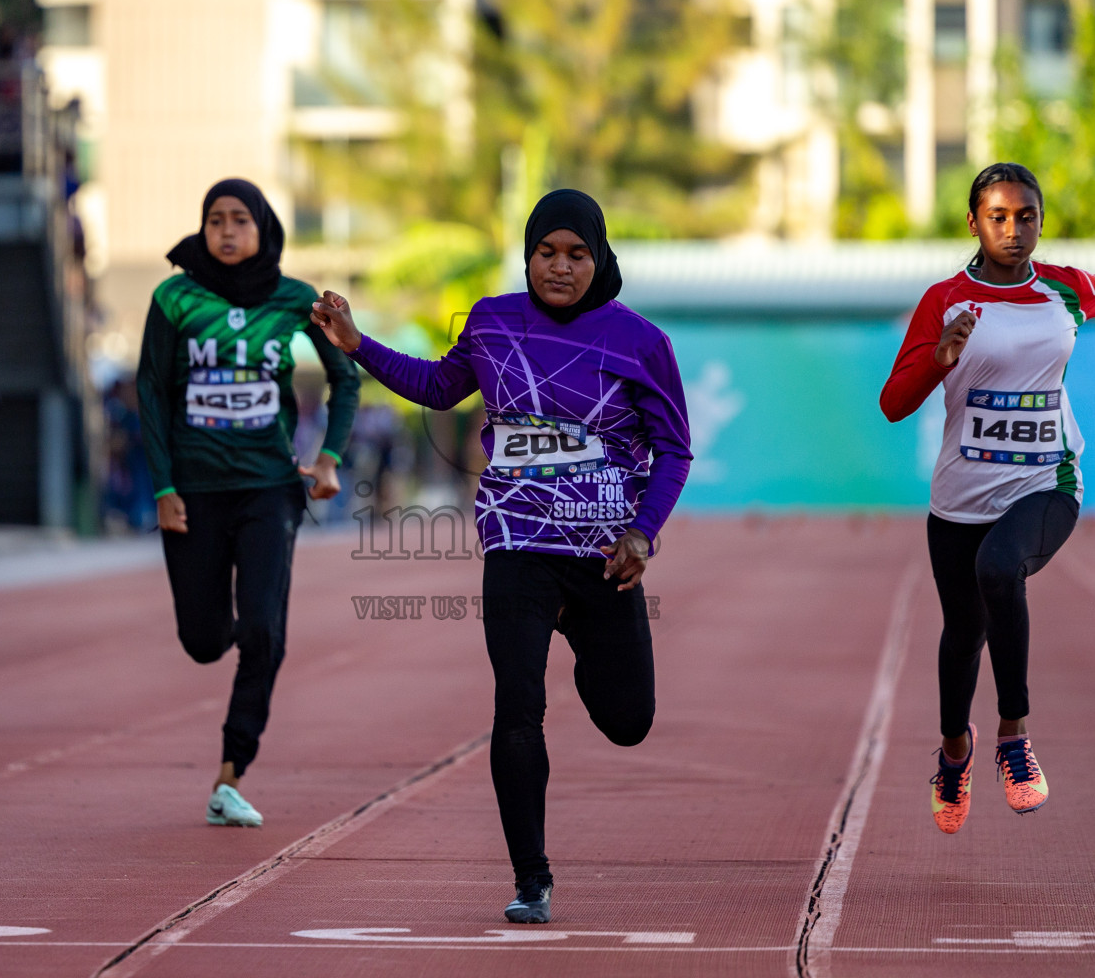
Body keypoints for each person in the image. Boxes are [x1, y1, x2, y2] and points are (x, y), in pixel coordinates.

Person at [311, 189, 692, 924]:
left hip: (604, 556)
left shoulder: (640, 341)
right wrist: (357, 344)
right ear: (527, 256)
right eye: (546, 252)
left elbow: (673, 449)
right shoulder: (492, 322)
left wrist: (642, 533)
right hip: (516, 544)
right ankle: (531, 878)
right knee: (517, 705)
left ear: (599, 258)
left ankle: (587, 643)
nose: (559, 267)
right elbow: (437, 384)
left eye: (576, 254)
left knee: (628, 719)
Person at [879, 163, 1095, 835]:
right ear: (974, 223)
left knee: (1000, 570)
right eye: (999, 216)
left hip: (1047, 480)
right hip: (960, 497)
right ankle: (954, 752)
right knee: (964, 632)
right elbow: (893, 405)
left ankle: (1013, 737)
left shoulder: (1067, 290)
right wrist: (939, 359)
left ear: (1042, 220)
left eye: (1027, 216)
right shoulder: (944, 302)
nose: (1014, 229)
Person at [137, 178, 358, 828]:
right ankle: (238, 625)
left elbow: (346, 376)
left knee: (262, 628)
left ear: (263, 228)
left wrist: (328, 459)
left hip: (269, 489)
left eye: (239, 220)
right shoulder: (175, 298)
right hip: (194, 492)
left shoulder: (293, 299)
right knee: (204, 642)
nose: (226, 231)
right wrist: (163, 487)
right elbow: (150, 391)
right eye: (215, 221)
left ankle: (231, 772)